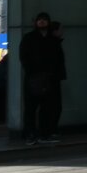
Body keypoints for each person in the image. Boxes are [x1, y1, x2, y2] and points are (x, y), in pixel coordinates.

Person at [19, 12, 65, 145]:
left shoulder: (51, 39)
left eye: (44, 20)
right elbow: (24, 57)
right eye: (40, 20)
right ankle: (33, 134)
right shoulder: (31, 38)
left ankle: (42, 133)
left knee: (46, 108)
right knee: (32, 107)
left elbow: (58, 59)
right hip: (35, 77)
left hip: (45, 77)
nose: (42, 22)